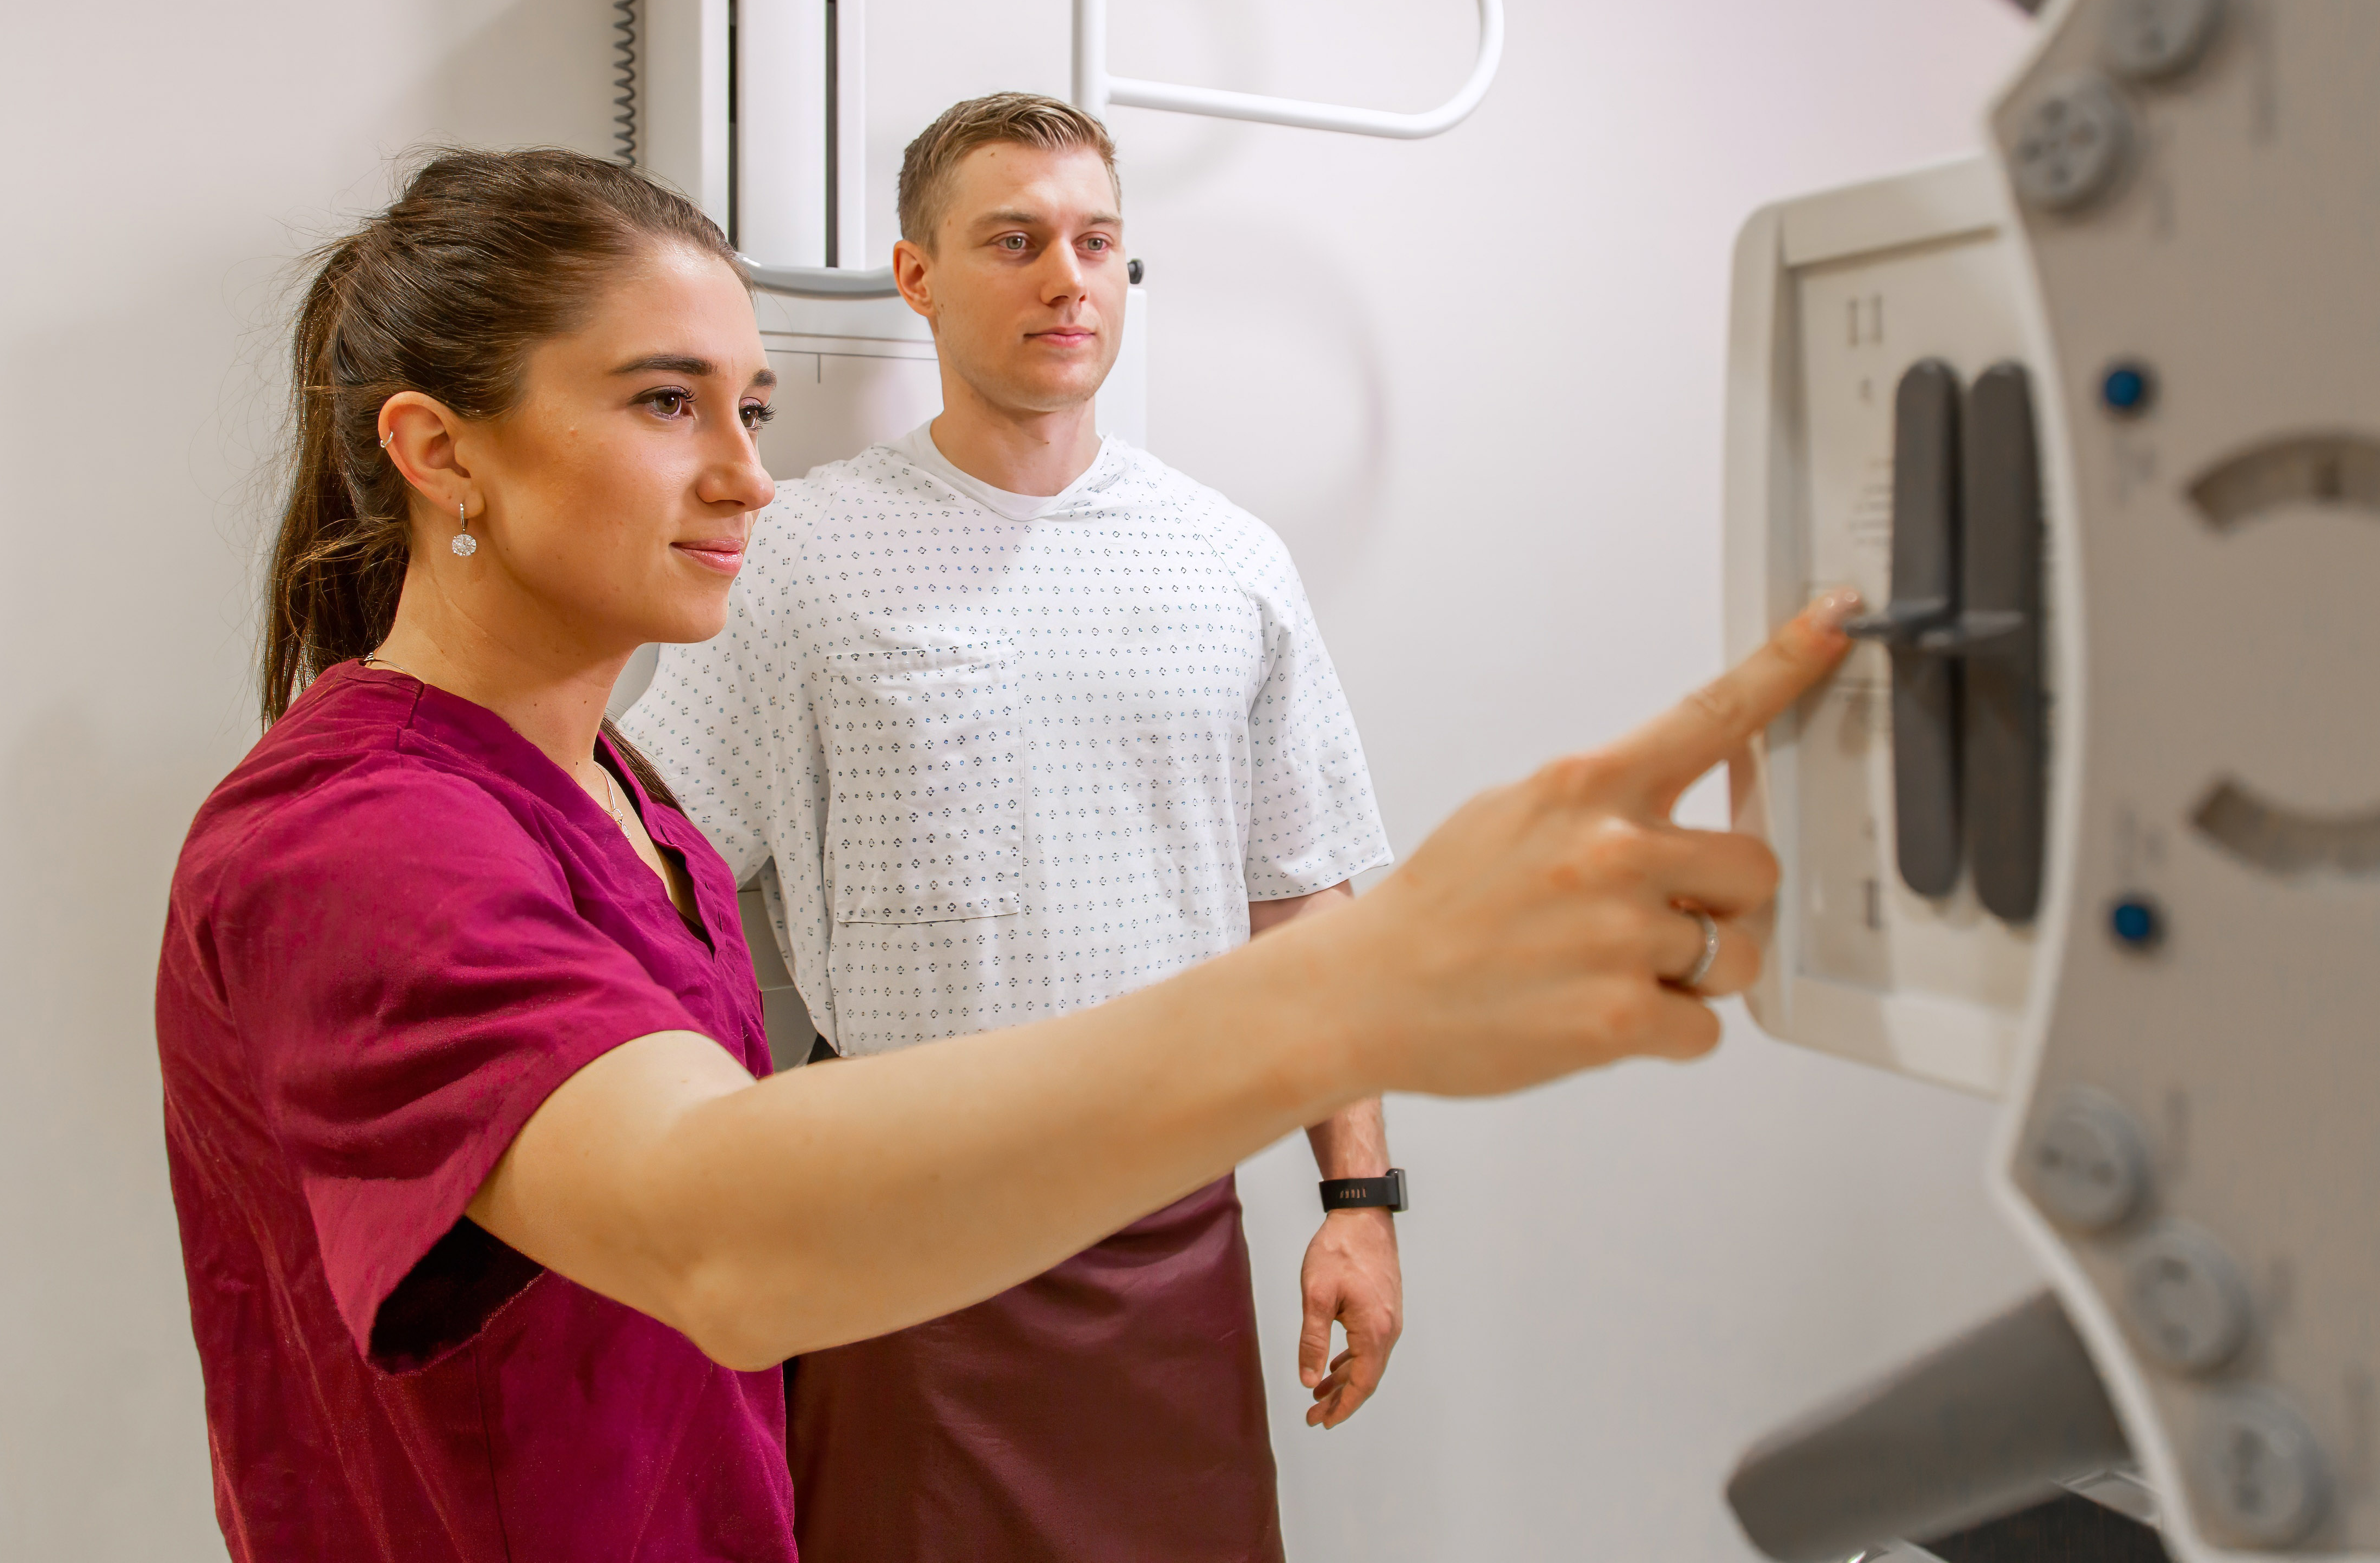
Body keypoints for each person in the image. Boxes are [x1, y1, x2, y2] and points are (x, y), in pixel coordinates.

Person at [156, 145, 1859, 1563]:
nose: (747, 477)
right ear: (440, 447)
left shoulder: (626, 799)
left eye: (750, 406)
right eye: (669, 404)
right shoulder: (358, 836)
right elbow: (718, 1231)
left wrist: (1355, 1171)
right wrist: (1362, 995)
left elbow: (1293, 864)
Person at [618, 93, 1389, 1563]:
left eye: (1097, 243)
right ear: (918, 277)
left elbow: (1306, 906)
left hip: (1167, 1226)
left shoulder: (1227, 561)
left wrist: (1357, 1198)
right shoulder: (800, 553)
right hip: (901, 1231)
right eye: (1016, 241)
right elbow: (649, 871)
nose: (1067, 280)